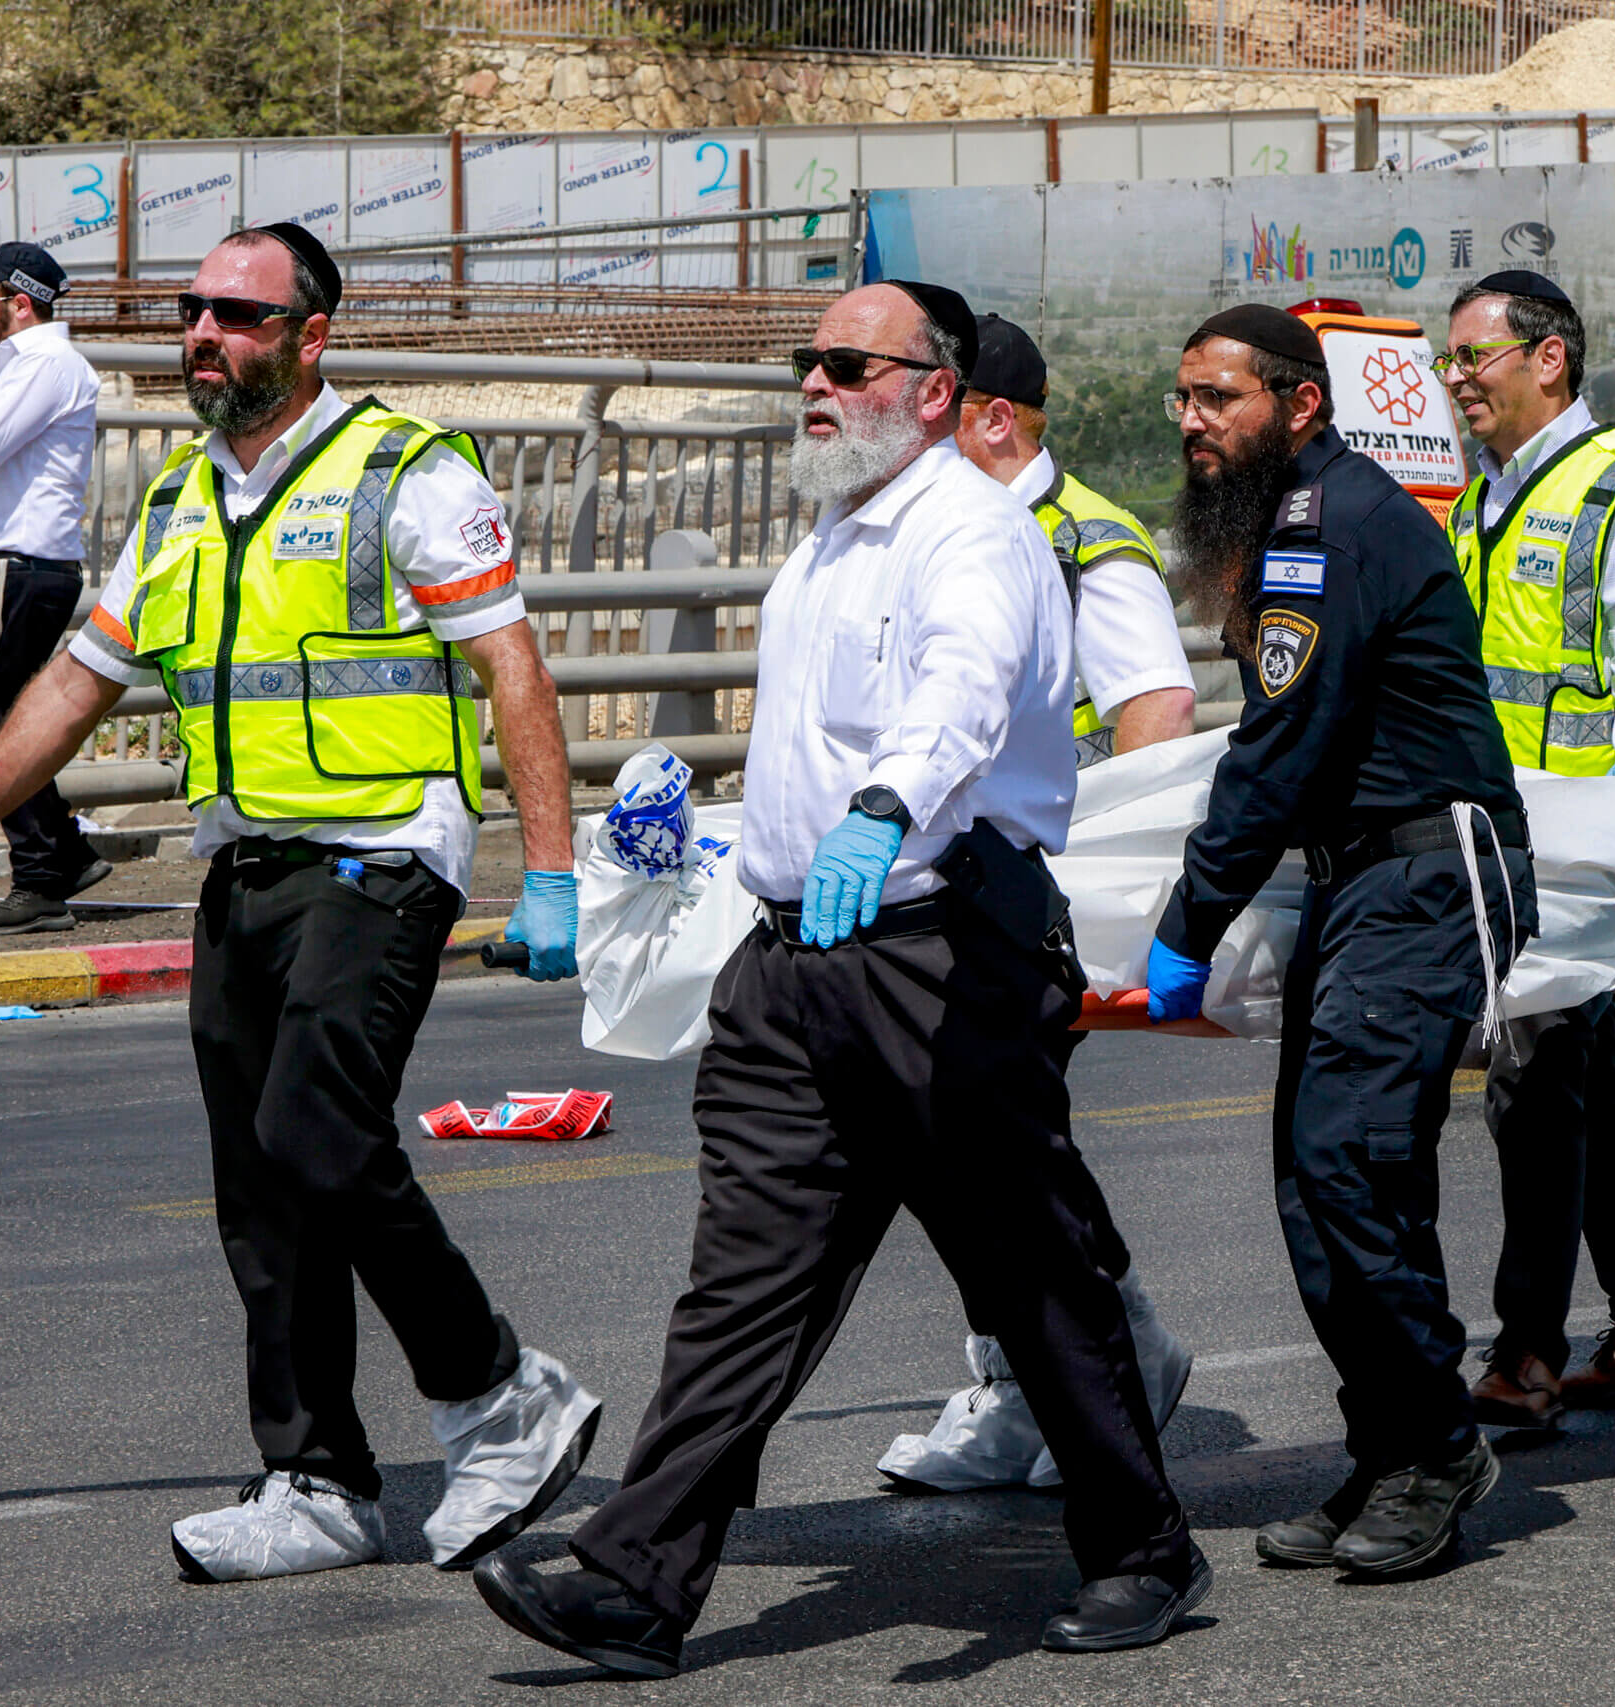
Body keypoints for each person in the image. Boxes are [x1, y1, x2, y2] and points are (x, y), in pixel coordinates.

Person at [470, 281, 1206, 1678]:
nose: (814, 379)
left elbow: (966, 686)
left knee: (1029, 1265)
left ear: (933, 389)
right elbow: (808, 748)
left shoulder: (972, 531)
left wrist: (886, 805)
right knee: (744, 1282)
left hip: (942, 952)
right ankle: (638, 1577)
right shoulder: (824, 543)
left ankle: (1144, 1547)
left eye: (848, 362)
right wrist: (726, 838)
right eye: (806, 359)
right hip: (797, 960)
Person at [0, 221, 603, 1580]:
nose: (204, 334)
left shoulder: (406, 470)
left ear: (307, 336)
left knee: (316, 1127)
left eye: (238, 315)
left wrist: (549, 871)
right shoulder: (179, 502)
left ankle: (500, 1389)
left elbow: (514, 668)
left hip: (384, 853)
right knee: (259, 1187)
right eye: (191, 310)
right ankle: (319, 1477)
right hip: (248, 868)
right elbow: (75, 682)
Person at [1145, 303, 1536, 1577]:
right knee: (1320, 1190)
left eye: (1222, 399)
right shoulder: (1296, 520)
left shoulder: (1330, 524)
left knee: (1351, 1167)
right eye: (1187, 401)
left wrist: (1187, 920)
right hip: (1362, 880)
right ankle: (1386, 1446)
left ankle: (1436, 1445)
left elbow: (1279, 747)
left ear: (1299, 404)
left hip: (1425, 876)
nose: (1196, 423)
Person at [876, 311, 1198, 1494]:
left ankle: (1068, 1375)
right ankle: (1085, 1360)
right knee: (969, 1151)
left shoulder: (1082, 545)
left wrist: (1083, 893)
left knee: (990, 1150)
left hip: (1021, 905)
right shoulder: (920, 534)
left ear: (990, 420)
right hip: (933, 897)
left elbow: (1155, 716)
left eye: (927, 404)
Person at [1433, 269, 1615, 1430]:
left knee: (1536, 1090)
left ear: (1549, 358)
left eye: (1473, 360)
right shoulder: (1479, 501)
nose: (1456, 383)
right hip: (1503, 843)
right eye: (1448, 364)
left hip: (1583, 849)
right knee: (1580, 1084)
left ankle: (1528, 1352)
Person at [0, 241, 110, 933]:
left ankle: (43, 874)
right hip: (3, 564)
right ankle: (63, 853)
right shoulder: (11, 362)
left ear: (20, 301)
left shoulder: (50, 363)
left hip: (23, 562)